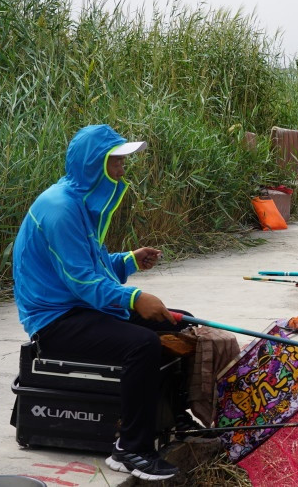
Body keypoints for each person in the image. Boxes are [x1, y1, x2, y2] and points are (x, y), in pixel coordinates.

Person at [13, 124, 182, 481]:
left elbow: (95, 266)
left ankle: (170, 415)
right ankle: (130, 449)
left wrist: (129, 260)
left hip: (79, 307)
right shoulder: (60, 209)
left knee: (178, 324)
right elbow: (82, 281)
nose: (122, 170)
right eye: (116, 162)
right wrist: (135, 298)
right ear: (94, 165)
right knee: (143, 345)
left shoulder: (77, 203)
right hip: (55, 320)